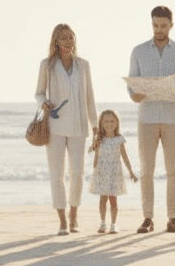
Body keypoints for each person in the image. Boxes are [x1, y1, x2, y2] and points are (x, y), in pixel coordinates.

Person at [127, 5, 175, 234]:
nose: (159, 29)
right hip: (146, 117)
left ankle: (172, 218)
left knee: (173, 170)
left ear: (171, 25)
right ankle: (147, 218)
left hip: (174, 118)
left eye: (163, 25)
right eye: (155, 25)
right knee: (147, 170)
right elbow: (132, 91)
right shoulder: (138, 51)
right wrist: (137, 93)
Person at [35, 24, 99, 235]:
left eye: (71, 37)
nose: (68, 42)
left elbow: (89, 97)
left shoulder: (84, 65)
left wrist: (95, 125)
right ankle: (62, 219)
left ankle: (74, 214)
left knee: (78, 173)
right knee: (57, 173)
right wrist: (44, 103)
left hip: (79, 126)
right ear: (56, 41)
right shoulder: (47, 65)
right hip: (55, 125)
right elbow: (38, 93)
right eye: (63, 38)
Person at [89, 110, 138, 233]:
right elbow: (95, 155)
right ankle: (102, 223)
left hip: (115, 173)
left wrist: (131, 172)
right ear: (101, 123)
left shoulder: (119, 139)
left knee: (113, 200)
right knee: (102, 200)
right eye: (105, 121)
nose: (109, 124)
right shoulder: (99, 139)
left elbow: (125, 157)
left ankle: (113, 224)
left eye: (112, 121)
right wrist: (95, 170)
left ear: (117, 123)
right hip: (102, 172)